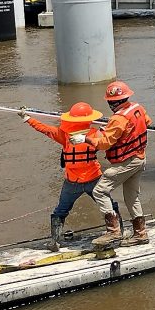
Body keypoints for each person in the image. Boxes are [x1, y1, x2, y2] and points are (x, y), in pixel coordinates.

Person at [21, 101, 104, 252]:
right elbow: (46, 129)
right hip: (77, 182)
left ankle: (55, 241)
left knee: (62, 211)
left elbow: (45, 129)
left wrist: (28, 118)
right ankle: (55, 242)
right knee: (107, 205)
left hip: (88, 180)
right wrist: (28, 119)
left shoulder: (86, 135)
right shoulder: (87, 134)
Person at [88, 81, 152, 247]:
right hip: (139, 157)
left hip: (126, 161)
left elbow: (104, 143)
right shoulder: (138, 108)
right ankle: (140, 234)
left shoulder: (118, 118)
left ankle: (113, 231)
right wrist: (112, 128)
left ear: (112, 102)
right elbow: (147, 122)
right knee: (131, 197)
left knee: (100, 190)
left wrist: (86, 138)